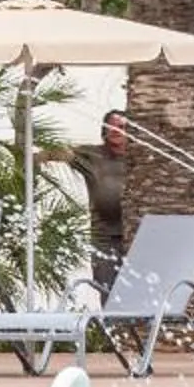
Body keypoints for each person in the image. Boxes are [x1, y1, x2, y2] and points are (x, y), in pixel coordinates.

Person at [73, 109, 130, 293]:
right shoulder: (91, 155)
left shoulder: (142, 159)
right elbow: (59, 152)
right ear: (104, 130)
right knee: (106, 288)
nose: (116, 131)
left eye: (121, 127)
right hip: (103, 235)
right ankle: (109, 322)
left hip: (134, 234)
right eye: (111, 127)